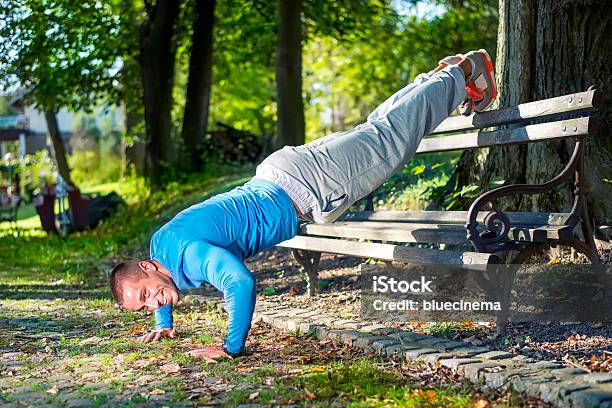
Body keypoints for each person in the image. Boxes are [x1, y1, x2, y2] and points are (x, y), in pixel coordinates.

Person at [109, 49, 497, 360]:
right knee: (377, 131)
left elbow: (240, 283)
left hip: (308, 185)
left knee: (389, 140)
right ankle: (442, 78)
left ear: (147, 268)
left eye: (146, 295)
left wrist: (230, 347)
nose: (152, 302)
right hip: (283, 176)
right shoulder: (161, 246)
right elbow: (160, 285)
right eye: (143, 307)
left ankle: (462, 75)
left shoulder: (191, 257)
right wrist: (163, 319)